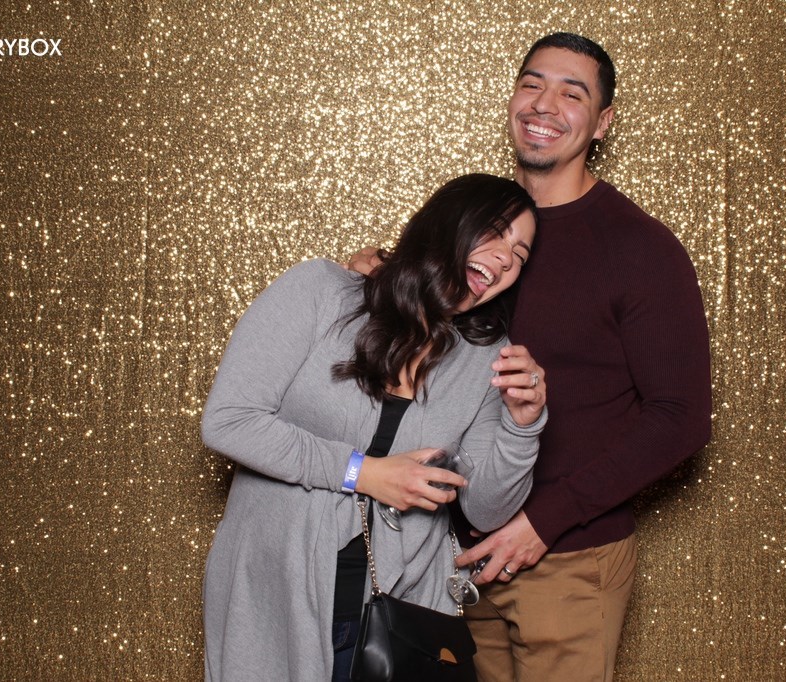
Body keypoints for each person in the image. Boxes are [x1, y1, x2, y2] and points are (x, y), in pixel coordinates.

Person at [349, 33, 712, 682]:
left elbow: (680, 418)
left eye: (572, 93)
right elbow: (420, 328)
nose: (545, 104)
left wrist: (545, 522)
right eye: (532, 84)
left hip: (566, 559)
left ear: (602, 123)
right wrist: (377, 280)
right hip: (446, 557)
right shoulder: (469, 224)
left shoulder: (640, 248)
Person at [200, 174, 549, 681]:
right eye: (494, 232)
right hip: (278, 591)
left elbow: (485, 509)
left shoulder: (486, 357)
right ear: (446, 223)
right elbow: (230, 421)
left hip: (403, 617)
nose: (504, 259)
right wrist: (363, 473)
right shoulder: (321, 292)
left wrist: (523, 426)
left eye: (519, 254)